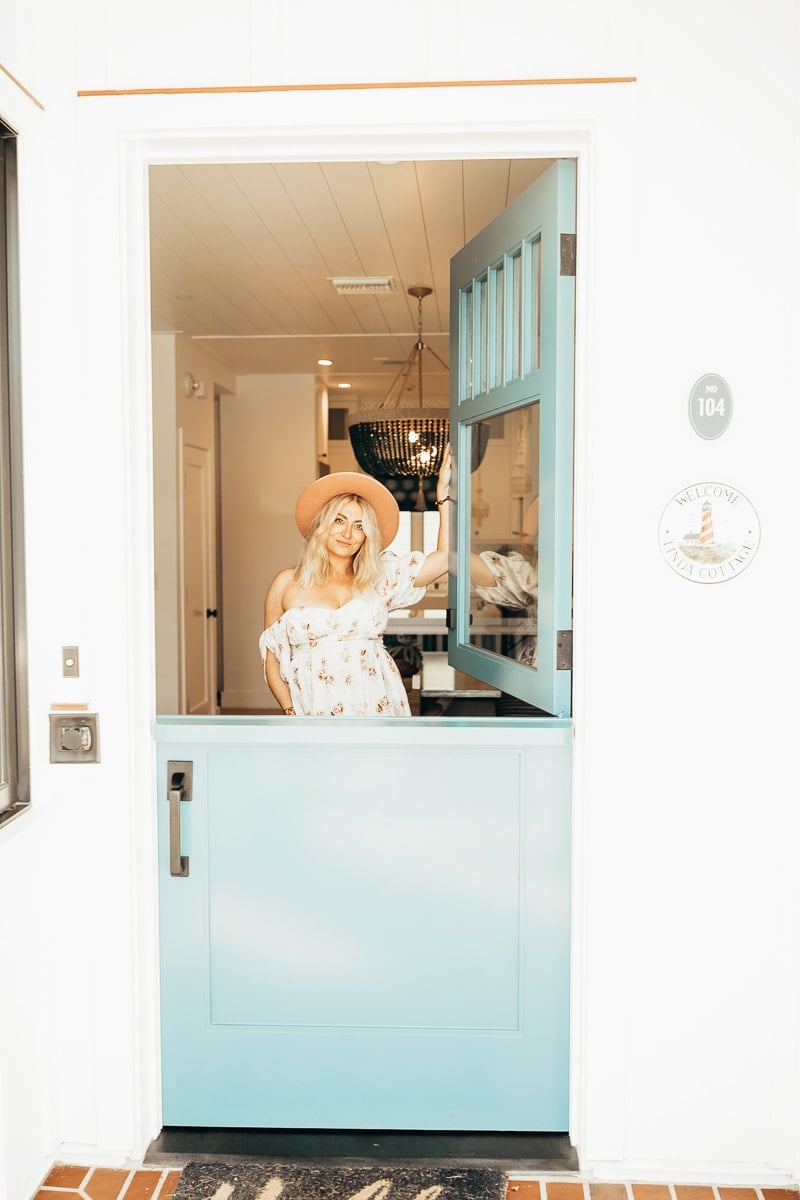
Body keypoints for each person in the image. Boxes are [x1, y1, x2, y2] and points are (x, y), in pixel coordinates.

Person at [259, 447, 452, 716]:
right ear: (322, 525)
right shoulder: (286, 582)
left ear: (367, 536)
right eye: (339, 520)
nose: (348, 533)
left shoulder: (380, 577)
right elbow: (272, 660)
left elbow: (444, 559)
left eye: (359, 526)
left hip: (377, 704)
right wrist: (291, 711)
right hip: (313, 710)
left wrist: (444, 494)